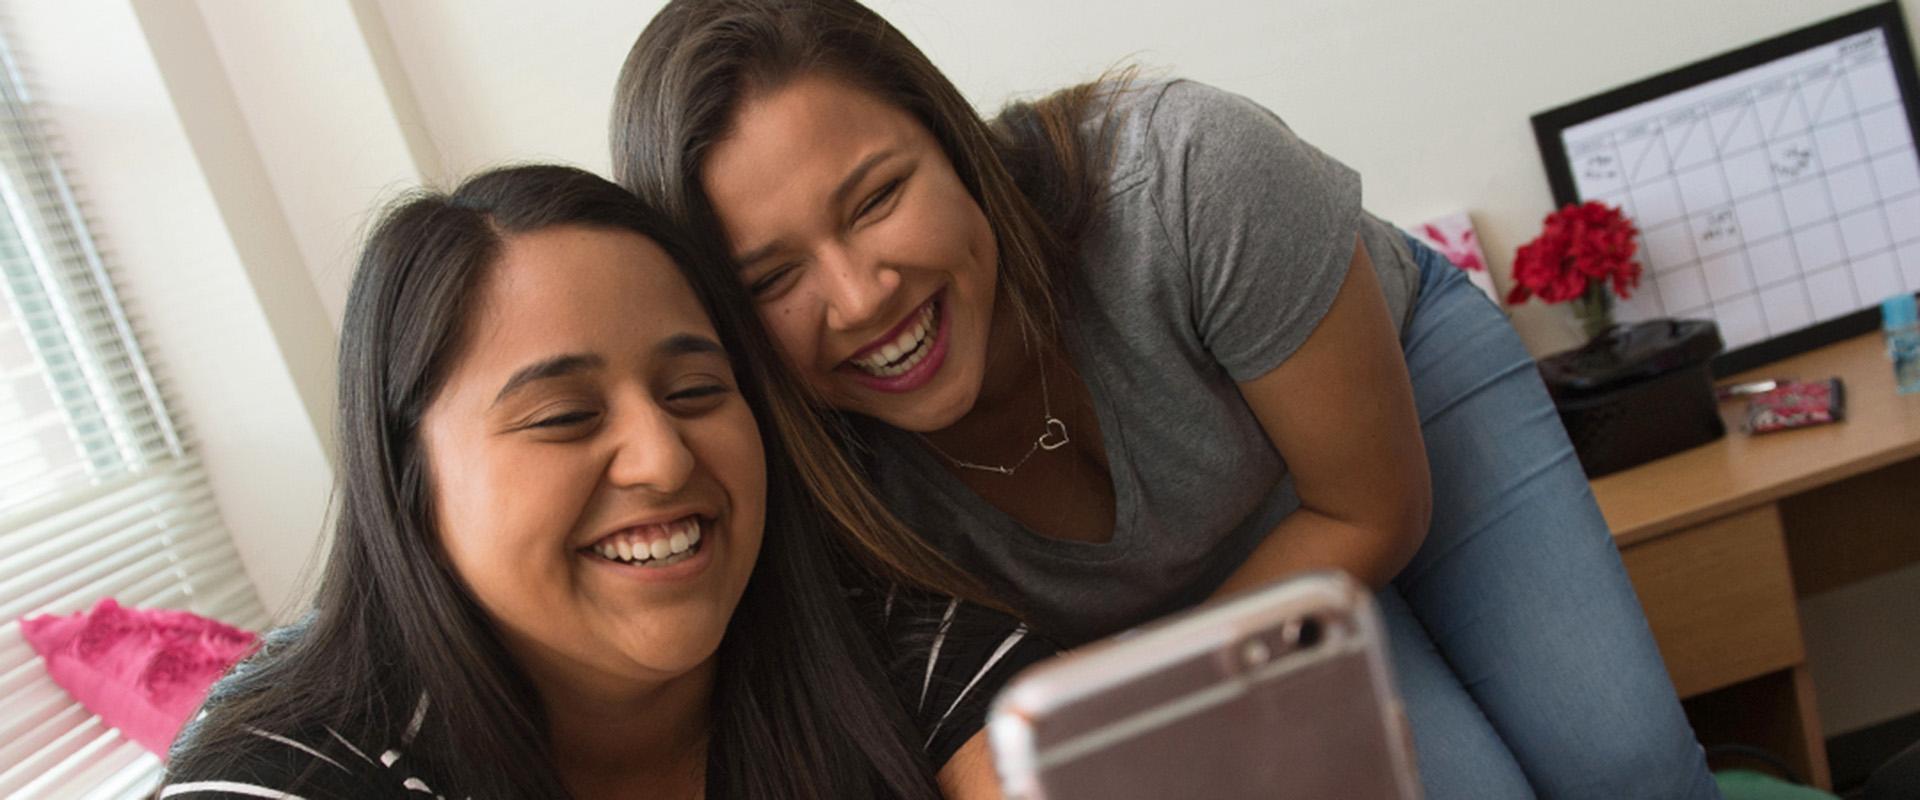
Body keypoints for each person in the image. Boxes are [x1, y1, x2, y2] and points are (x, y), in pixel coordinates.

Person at [610, 2, 1722, 797]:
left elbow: (1369, 513)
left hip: (1375, 435)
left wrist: (1122, 690)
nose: (859, 296)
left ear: (955, 140)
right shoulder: (803, 473)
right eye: (771, 279)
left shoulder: (1188, 174)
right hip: (1186, 619)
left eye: (878, 197)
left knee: (1625, 763)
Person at [161, 165, 1048, 798]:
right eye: (563, 416)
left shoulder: (904, 653)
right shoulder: (285, 767)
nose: (663, 459)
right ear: (409, 483)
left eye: (697, 392)